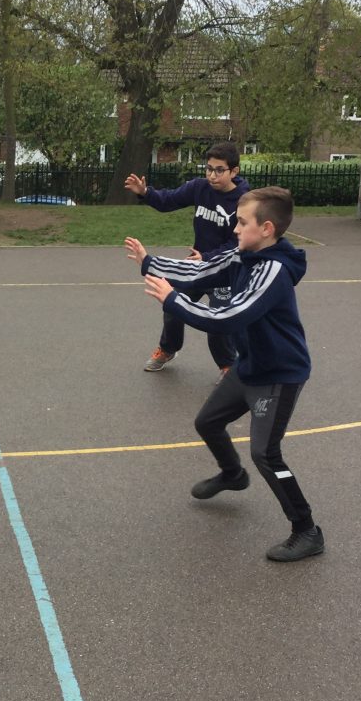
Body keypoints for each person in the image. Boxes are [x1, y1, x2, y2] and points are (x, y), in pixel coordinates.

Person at [124, 185, 324, 562]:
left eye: (242, 222)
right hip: (250, 366)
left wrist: (173, 300)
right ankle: (233, 474)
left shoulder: (273, 271)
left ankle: (307, 530)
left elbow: (228, 317)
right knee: (208, 422)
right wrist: (150, 262)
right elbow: (201, 270)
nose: (234, 228)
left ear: (266, 228)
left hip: (279, 375)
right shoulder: (242, 255)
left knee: (265, 454)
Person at [123, 141, 248, 372]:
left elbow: (238, 243)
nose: (212, 175)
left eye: (219, 170)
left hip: (225, 270)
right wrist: (145, 193)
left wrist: (208, 257)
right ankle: (168, 348)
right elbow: (168, 200)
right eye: (209, 168)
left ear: (234, 171)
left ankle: (227, 365)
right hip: (196, 265)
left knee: (218, 321)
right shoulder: (199, 187)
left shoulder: (244, 200)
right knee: (172, 304)